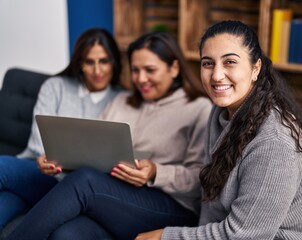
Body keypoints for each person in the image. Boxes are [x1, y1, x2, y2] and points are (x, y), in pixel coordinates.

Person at [135, 20, 302, 240]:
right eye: (207, 63)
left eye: (230, 62)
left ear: (255, 68)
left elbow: (243, 235)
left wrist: (164, 237)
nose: (216, 75)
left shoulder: (274, 143)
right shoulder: (222, 114)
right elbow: (209, 185)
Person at [6, 32, 212, 240]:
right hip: (116, 198)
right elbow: (90, 148)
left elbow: (200, 178)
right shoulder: (122, 101)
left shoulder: (199, 109)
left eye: (150, 70)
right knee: (66, 234)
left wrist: (155, 172)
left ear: (174, 68)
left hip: (171, 205)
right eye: (135, 70)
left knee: (84, 180)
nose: (141, 79)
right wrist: (58, 160)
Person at [0, 28, 123, 233]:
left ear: (115, 63)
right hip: (36, 173)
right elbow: (38, 145)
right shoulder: (56, 86)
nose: (97, 70)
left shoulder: (122, 100)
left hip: (75, 189)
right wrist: (49, 160)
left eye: (104, 61)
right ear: (79, 63)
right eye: (89, 62)